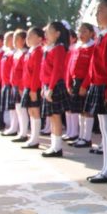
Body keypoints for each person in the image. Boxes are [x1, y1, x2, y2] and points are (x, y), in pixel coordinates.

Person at [81, 0, 107, 179]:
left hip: (106, 85)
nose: (97, 14)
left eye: (101, 10)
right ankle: (106, 167)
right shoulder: (102, 35)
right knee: (104, 128)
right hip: (98, 84)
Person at [39, 22, 70, 158]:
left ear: (57, 33)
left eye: (49, 31)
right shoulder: (49, 48)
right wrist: (43, 86)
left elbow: (57, 70)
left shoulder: (59, 48)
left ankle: (57, 147)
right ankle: (53, 145)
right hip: (47, 85)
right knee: (51, 117)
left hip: (55, 85)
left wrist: (50, 88)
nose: (45, 34)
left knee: (56, 117)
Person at [64, 23, 96, 144]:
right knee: (79, 110)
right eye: (80, 32)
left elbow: (91, 69)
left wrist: (84, 85)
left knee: (86, 111)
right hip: (74, 82)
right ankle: (80, 136)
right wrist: (68, 84)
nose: (81, 34)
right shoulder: (76, 47)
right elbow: (69, 67)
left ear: (91, 33)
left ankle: (87, 138)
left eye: (85, 32)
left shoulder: (92, 47)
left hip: (85, 82)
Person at [19, 28, 44, 149]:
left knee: (35, 112)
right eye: (27, 36)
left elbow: (36, 73)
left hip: (34, 87)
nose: (27, 38)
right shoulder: (30, 52)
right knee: (30, 111)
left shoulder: (38, 51)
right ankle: (32, 137)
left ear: (39, 38)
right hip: (28, 86)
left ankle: (35, 139)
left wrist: (33, 89)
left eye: (31, 36)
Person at [10, 31, 30, 143]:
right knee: (18, 109)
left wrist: (22, 86)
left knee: (22, 110)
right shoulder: (16, 53)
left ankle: (24, 134)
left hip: (21, 86)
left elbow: (24, 72)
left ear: (23, 40)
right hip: (15, 85)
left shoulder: (25, 54)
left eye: (16, 38)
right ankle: (20, 131)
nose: (14, 41)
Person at [0, 32, 17, 135]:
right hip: (5, 83)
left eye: (7, 39)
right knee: (10, 108)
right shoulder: (6, 53)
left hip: (12, 83)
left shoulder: (15, 53)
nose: (5, 41)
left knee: (15, 108)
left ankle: (15, 127)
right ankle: (12, 126)